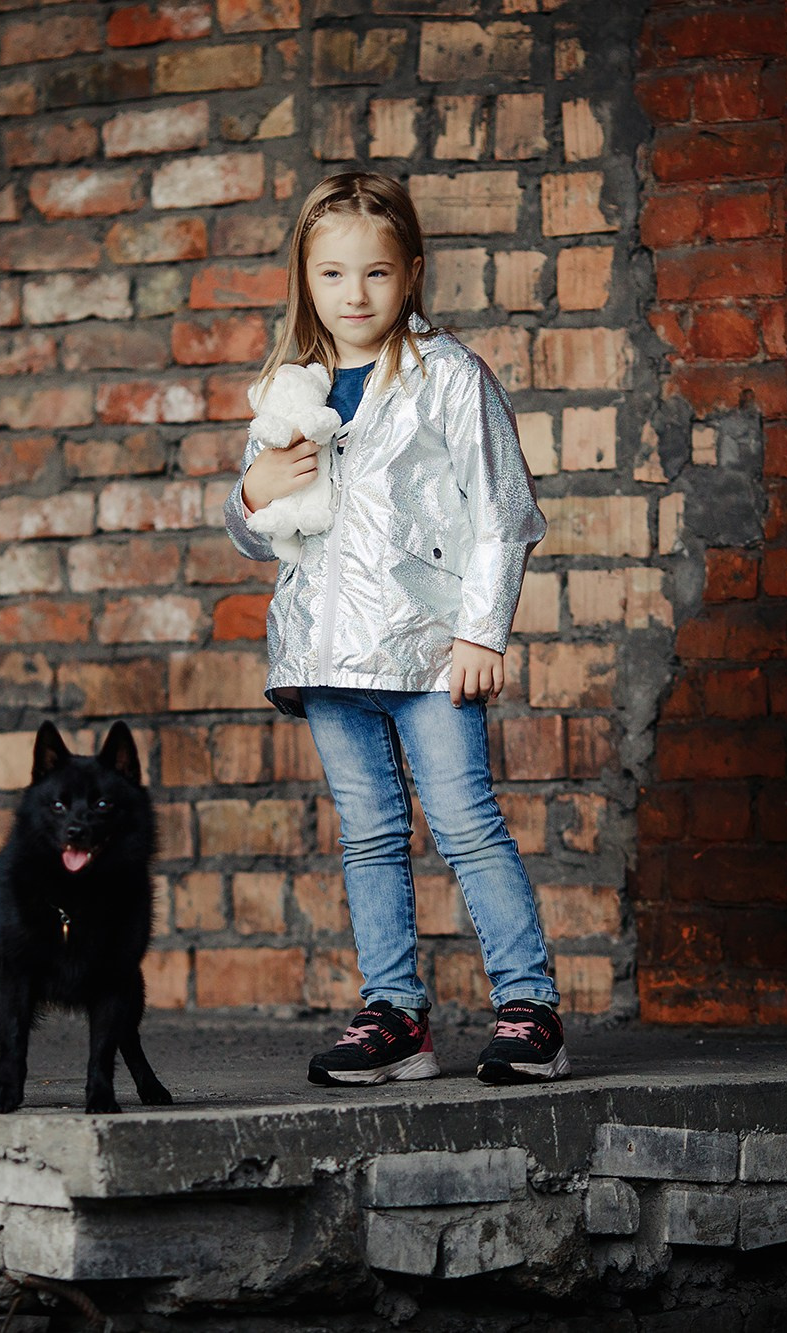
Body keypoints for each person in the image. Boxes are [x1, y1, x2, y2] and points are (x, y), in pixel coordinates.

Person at [225, 171, 571, 1088]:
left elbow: (504, 511)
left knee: (466, 822)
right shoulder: (288, 389)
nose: (354, 294)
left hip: (425, 649)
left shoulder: (447, 376)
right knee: (369, 833)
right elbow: (262, 529)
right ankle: (395, 1013)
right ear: (305, 278)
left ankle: (529, 1004)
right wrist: (250, 493)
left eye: (376, 274)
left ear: (410, 274)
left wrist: (481, 634)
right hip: (325, 652)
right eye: (333, 275)